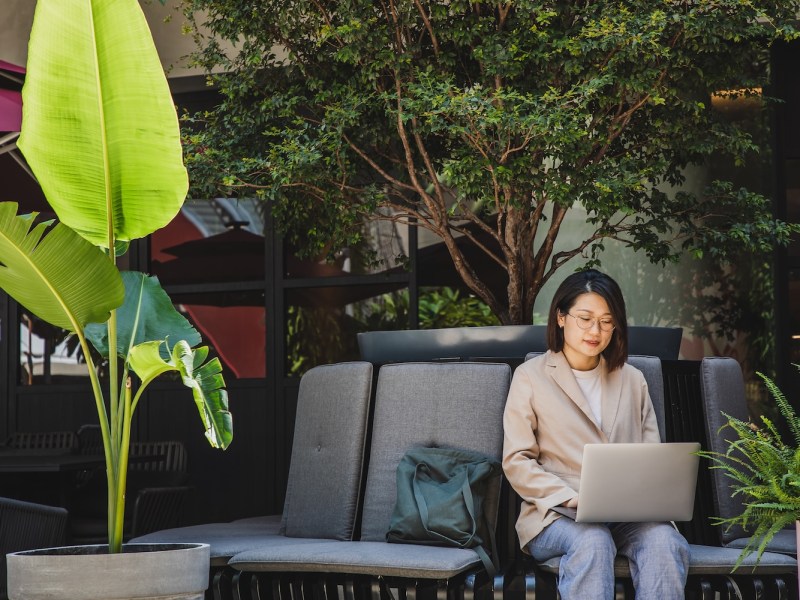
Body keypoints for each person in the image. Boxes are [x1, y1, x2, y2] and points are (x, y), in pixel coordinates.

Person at [502, 269, 689, 599]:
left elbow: (651, 457)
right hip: (556, 515)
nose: (595, 331)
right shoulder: (531, 377)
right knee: (593, 540)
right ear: (561, 317)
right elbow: (517, 461)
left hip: (627, 514)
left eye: (606, 321)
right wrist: (569, 497)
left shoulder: (632, 379)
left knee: (665, 541)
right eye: (585, 319)